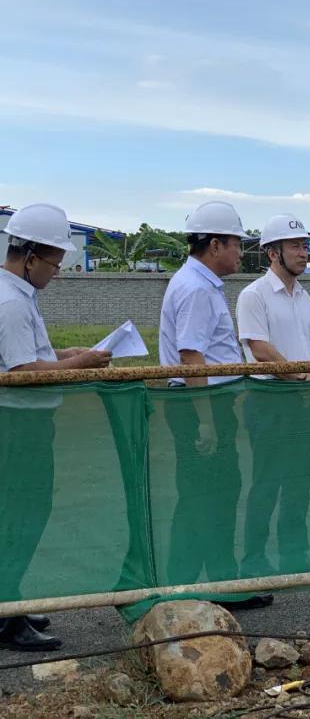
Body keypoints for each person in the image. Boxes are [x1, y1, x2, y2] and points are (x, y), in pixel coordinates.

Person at [0, 203, 111, 651]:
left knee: (20, 516)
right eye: (53, 262)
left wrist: (67, 355)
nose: (57, 272)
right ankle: (6, 616)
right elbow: (24, 371)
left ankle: (10, 602)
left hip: (21, 422)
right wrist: (82, 364)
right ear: (30, 257)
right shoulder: (11, 302)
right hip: (17, 425)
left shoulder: (16, 294)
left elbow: (30, 357)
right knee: (19, 519)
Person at [159, 200, 271, 609]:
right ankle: (195, 589)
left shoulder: (198, 284)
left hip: (202, 402)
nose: (240, 251)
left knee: (212, 494)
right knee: (208, 496)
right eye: (236, 243)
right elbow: (192, 357)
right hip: (199, 405)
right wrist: (205, 419)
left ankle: (202, 585)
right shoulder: (195, 289)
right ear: (215, 245)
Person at [236, 215, 310, 578]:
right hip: (269, 400)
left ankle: (295, 556)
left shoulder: (303, 296)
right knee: (267, 483)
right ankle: (254, 560)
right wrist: (297, 376)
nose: (304, 253)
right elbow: (259, 348)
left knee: (299, 483)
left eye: (305, 246)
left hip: (303, 401)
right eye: (295, 246)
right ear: (273, 253)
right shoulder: (253, 295)